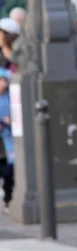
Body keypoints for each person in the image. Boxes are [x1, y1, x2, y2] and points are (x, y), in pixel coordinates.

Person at [0, 70, 14, 211]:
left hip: (8, 139)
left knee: (9, 170)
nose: (3, 83)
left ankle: (8, 198)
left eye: (5, 80)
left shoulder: (9, 97)